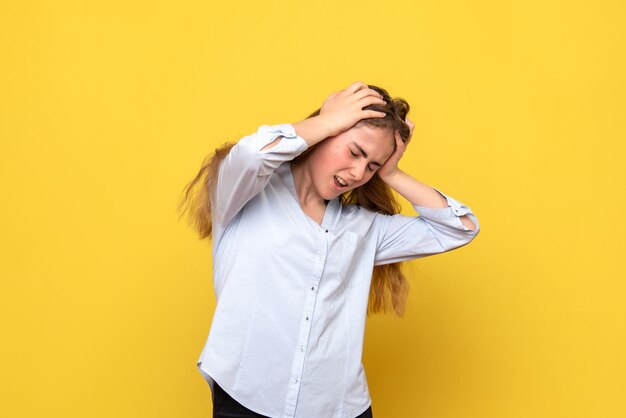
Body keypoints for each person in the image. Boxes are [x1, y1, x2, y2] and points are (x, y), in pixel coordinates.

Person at [178, 81, 480, 418]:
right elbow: (251, 154)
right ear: (327, 131)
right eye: (354, 152)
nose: (357, 173)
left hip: (338, 408)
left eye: (372, 166)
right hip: (246, 398)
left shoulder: (363, 228)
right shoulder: (246, 193)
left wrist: (392, 173)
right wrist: (326, 121)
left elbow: (460, 228)